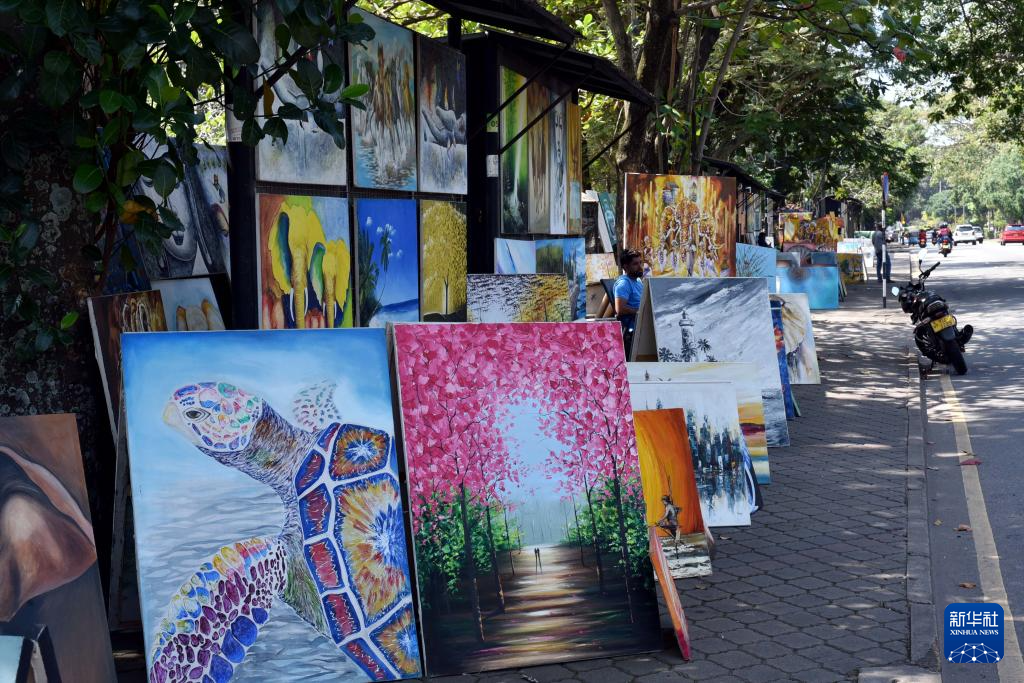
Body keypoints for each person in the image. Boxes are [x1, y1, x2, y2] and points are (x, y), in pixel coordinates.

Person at [613, 249, 645, 356]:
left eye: (640, 262)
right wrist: (640, 312)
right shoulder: (624, 284)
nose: (640, 266)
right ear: (626, 267)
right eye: (635, 264)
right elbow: (620, 309)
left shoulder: (638, 281)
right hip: (633, 326)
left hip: (641, 322)